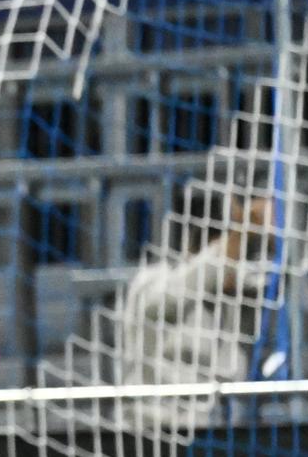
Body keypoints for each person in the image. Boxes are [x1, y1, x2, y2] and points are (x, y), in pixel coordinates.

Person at [118, 180, 276, 427]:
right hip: (149, 435)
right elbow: (171, 301)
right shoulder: (151, 283)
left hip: (224, 435)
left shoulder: (249, 291)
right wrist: (241, 233)